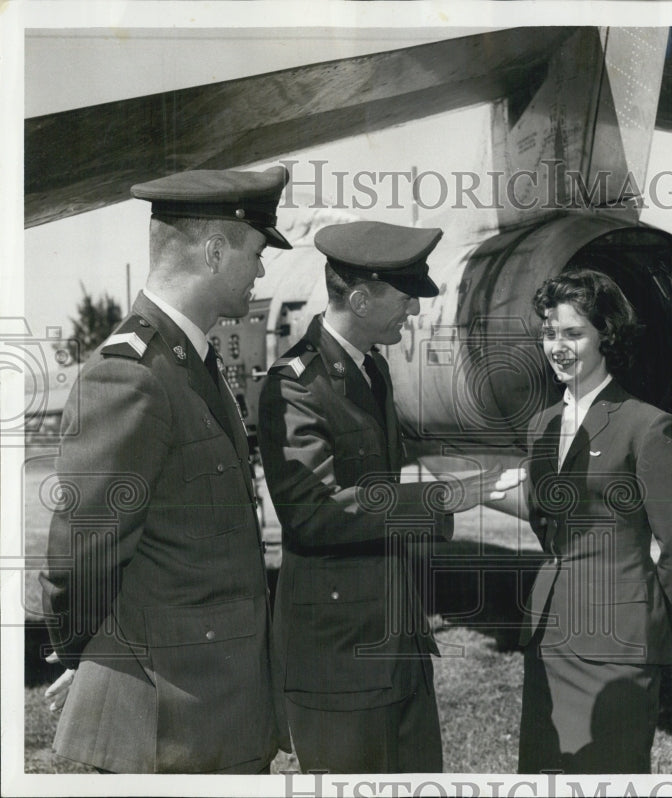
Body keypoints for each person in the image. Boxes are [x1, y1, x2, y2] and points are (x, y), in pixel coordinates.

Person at [38, 166, 294, 773]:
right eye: (256, 254)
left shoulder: (192, 362)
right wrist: (90, 655)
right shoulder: (131, 374)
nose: (261, 273)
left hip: (217, 710)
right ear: (214, 251)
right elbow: (84, 553)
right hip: (170, 727)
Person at [257, 220, 521, 773]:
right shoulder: (296, 384)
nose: (415, 311)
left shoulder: (371, 367)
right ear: (360, 299)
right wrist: (438, 499)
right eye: (405, 298)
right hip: (341, 656)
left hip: (397, 640)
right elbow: (314, 513)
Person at [518, 269, 672, 774]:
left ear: (607, 335)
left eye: (573, 333)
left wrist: (648, 618)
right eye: (549, 332)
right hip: (548, 635)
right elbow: (549, 526)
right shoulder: (542, 425)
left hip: (616, 649)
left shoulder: (646, 426)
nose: (557, 347)